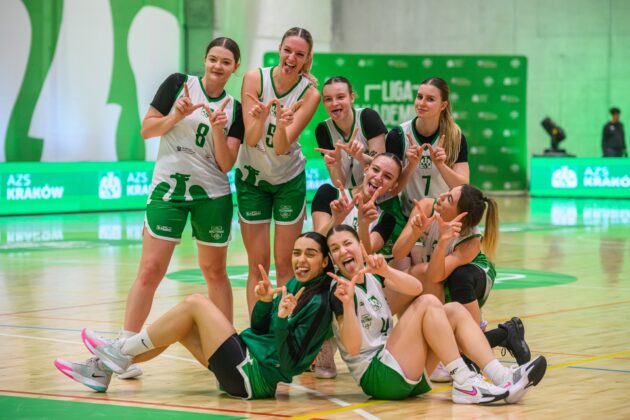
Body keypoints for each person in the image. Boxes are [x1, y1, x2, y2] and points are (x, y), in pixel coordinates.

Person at [54, 232, 334, 399]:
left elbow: (291, 365)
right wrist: (264, 303)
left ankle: (118, 351)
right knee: (182, 327)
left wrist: (282, 320)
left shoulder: (320, 304)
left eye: (310, 254)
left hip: (252, 377)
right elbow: (261, 330)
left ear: (324, 261)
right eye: (297, 253)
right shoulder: (296, 284)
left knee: (196, 303)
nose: (301, 260)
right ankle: (100, 370)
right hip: (247, 362)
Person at [114, 37, 244, 378]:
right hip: (168, 191)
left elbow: (226, 163)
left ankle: (227, 353)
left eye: (225, 62)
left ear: (235, 68)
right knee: (150, 269)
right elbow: (147, 130)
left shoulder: (235, 109)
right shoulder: (177, 84)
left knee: (215, 272)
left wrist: (219, 130)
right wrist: (176, 115)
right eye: (213, 58)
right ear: (205, 59)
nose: (218, 66)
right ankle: (123, 352)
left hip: (212, 195)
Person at [326, 224, 547, 403]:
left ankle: (502, 377)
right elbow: (353, 349)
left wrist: (386, 270)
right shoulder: (340, 290)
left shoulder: (373, 275)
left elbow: (415, 288)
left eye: (347, 243)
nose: (343, 251)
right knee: (428, 302)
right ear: (332, 259)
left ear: (360, 246)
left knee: (454, 310)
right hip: (377, 376)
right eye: (335, 249)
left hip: (404, 369)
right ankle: (464, 381)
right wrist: (347, 304)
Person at [393, 184, 530, 378]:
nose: (441, 196)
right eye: (447, 192)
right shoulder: (426, 207)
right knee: (412, 279)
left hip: (475, 274)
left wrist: (442, 242)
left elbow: (434, 276)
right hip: (439, 274)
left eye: (449, 199)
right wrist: (415, 232)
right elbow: (398, 253)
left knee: (457, 279)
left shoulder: (470, 240)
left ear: (461, 216)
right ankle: (505, 334)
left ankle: (476, 347)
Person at [238, 27, 321, 314]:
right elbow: (251, 139)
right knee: (258, 265)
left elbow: (280, 147)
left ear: (307, 58)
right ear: (279, 49)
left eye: (299, 54)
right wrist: (261, 119)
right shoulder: (254, 79)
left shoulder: (310, 94)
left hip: (288, 180)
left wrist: (283, 125)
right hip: (252, 180)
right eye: (287, 50)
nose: (291, 58)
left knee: (286, 264)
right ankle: (258, 330)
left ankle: (285, 329)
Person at [386, 77, 469, 217]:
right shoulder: (398, 135)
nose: (421, 103)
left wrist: (441, 165)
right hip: (408, 215)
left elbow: (463, 187)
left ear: (443, 105)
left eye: (430, 99)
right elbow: (392, 190)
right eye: (419, 97)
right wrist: (411, 165)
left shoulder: (455, 137)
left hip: (442, 216)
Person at [315, 76, 387, 188]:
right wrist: (337, 164)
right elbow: (339, 183)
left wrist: (360, 156)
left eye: (340, 97)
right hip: (349, 195)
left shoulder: (368, 117)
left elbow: (381, 168)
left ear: (351, 98)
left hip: (376, 192)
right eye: (328, 99)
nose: (334, 103)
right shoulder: (323, 130)